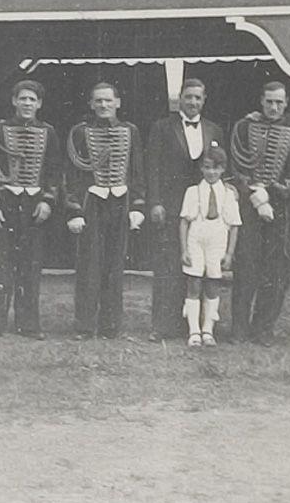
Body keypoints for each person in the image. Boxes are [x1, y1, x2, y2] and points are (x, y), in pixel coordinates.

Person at [0, 80, 61, 339]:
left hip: (34, 205)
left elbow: (54, 171)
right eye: (23, 98)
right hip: (5, 202)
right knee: (0, 264)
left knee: (30, 265)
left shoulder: (48, 132)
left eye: (32, 100)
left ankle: (28, 324)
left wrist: (47, 201)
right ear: (14, 101)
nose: (27, 103)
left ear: (39, 104)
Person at [146, 78, 224, 341]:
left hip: (201, 209)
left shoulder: (214, 130)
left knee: (200, 268)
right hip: (170, 205)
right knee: (168, 264)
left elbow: (220, 168)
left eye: (197, 97)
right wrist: (155, 202)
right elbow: (152, 166)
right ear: (179, 98)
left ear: (204, 100)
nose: (192, 102)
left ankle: (198, 325)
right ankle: (162, 326)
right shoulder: (162, 127)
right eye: (188, 96)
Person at [66, 82, 146, 339]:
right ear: (91, 104)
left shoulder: (130, 131)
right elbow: (73, 175)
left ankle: (111, 326)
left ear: (117, 103)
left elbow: (137, 170)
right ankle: (85, 326)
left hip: (120, 203)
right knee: (88, 266)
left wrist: (137, 205)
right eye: (98, 101)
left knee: (115, 265)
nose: (103, 105)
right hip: (92, 203)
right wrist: (74, 210)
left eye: (108, 100)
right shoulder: (81, 132)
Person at [229, 81, 290, 345]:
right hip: (249, 207)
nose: (274, 107)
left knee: (275, 270)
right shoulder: (244, 127)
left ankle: (263, 329)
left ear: (286, 103)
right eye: (269, 101)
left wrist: (277, 189)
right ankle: (239, 329)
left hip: (281, 209)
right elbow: (237, 166)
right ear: (261, 101)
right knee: (245, 266)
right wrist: (254, 192)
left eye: (279, 102)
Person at [179, 147, 241, 348]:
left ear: (223, 169)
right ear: (201, 168)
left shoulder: (228, 194)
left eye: (216, 168)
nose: (211, 172)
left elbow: (234, 225)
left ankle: (208, 330)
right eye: (207, 167)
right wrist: (184, 250)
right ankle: (194, 331)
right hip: (196, 238)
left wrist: (229, 253)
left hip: (218, 239)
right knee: (194, 282)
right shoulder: (193, 191)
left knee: (213, 283)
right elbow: (184, 222)